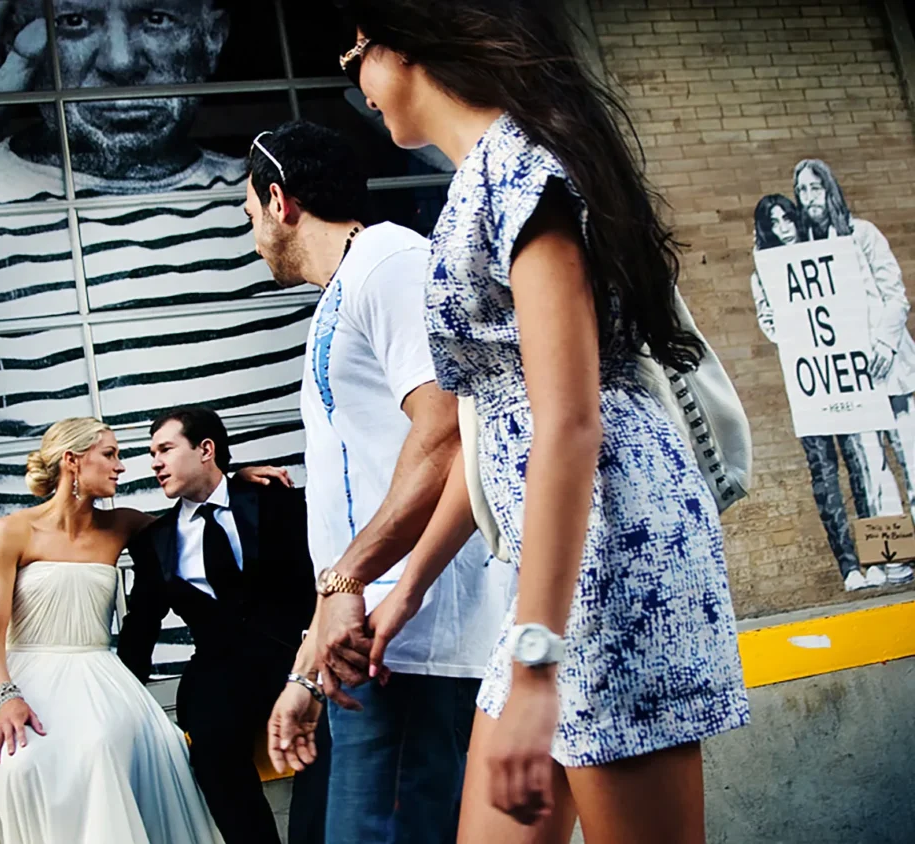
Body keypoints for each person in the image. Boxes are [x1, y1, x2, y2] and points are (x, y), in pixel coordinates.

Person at [332, 2, 750, 842]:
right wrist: (406, 588)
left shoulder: (523, 169)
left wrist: (534, 662)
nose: (355, 79)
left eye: (356, 52)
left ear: (407, 44)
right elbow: (498, 428)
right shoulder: (480, 181)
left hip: (614, 557)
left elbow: (566, 422)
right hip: (550, 591)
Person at [0, 0, 304, 712]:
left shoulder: (280, 214)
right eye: (75, 21)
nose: (118, 59)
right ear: (21, 44)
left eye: (155, 18)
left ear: (213, 33)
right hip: (14, 701)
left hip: (276, 679)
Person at [249, 121, 514, 844]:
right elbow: (348, 503)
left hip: (414, 641)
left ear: (280, 201)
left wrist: (346, 588)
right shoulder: (343, 291)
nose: (250, 231)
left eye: (248, 212)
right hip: (366, 642)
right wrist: (305, 673)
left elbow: (444, 432)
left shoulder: (388, 259)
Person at [0, 416, 224, 843]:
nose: (121, 466)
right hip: (21, 679)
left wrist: (236, 479)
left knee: (100, 749)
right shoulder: (11, 531)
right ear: (73, 461)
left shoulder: (124, 526)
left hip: (98, 678)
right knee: (21, 764)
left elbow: (202, 516)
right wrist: (8, 699)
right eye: (110, 455)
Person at [116, 405, 323, 844]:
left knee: (327, 739)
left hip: (294, 657)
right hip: (220, 670)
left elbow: (318, 576)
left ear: (206, 449)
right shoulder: (154, 541)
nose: (154, 462)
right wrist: (121, 699)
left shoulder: (275, 499)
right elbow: (140, 627)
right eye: (152, 453)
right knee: (210, 749)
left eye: (165, 449)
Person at [750, 194, 898, 591]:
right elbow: (771, 325)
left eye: (787, 217)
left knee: (863, 467)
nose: (784, 226)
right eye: (774, 221)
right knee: (825, 475)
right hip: (810, 389)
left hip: (847, 379)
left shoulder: (828, 253)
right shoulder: (763, 273)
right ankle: (849, 566)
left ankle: (879, 560)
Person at [792, 160, 915, 586]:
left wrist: (884, 344)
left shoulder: (861, 234)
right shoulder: (802, 253)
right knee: (874, 475)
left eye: (816, 189)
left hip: (893, 368)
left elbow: (895, 295)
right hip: (850, 381)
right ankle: (897, 558)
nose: (810, 199)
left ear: (831, 190)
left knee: (912, 463)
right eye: (802, 191)